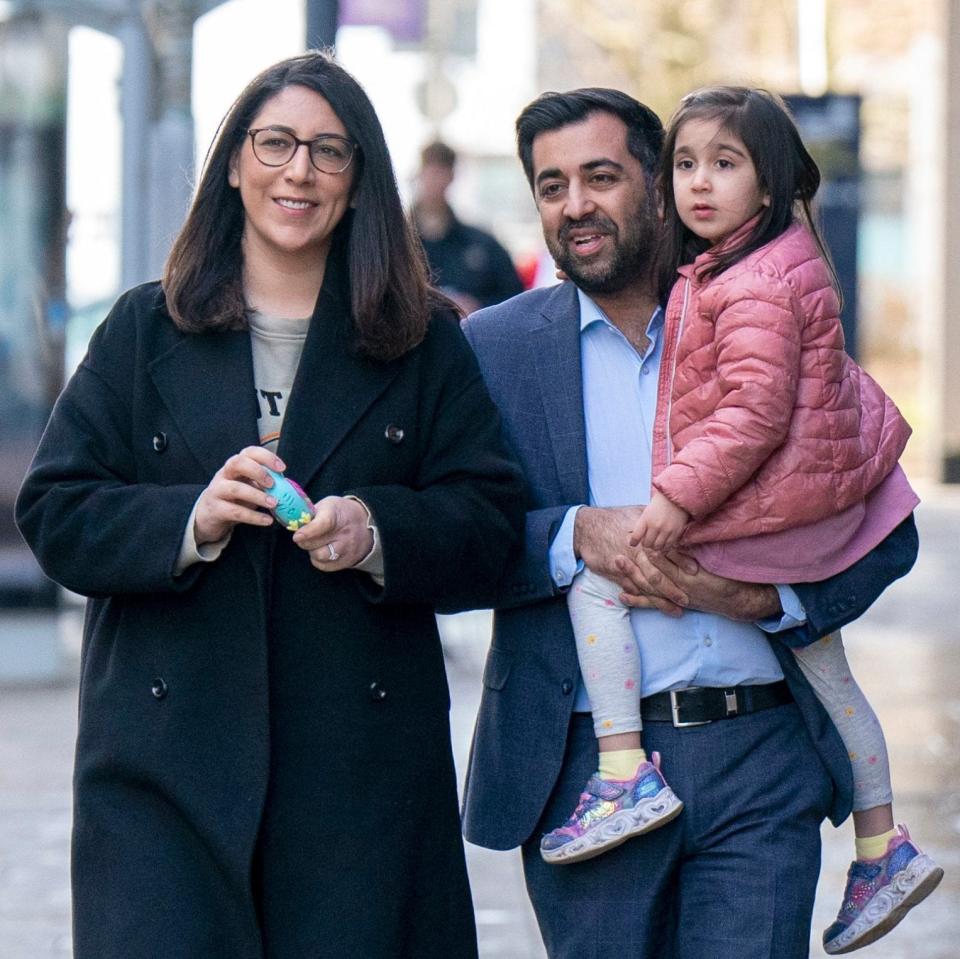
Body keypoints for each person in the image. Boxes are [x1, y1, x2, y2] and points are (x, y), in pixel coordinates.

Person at [15, 52, 524, 959]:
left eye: (329, 152)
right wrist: (191, 519)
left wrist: (376, 531)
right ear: (236, 164)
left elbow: (489, 523)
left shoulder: (422, 342)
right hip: (164, 775)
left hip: (358, 786)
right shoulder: (144, 327)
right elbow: (57, 509)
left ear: (361, 178)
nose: (300, 171)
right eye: (277, 143)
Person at [460, 87, 921, 959]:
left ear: (660, 185)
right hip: (586, 770)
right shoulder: (494, 349)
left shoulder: (763, 310)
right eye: (551, 186)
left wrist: (768, 596)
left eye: (601, 176)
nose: (575, 205)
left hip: (762, 754)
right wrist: (572, 537)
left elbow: (886, 526)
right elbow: (456, 541)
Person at [411, 139, 524, 313]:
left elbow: (516, 299)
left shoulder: (483, 245)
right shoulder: (395, 243)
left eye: (441, 172)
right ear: (420, 174)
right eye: (431, 171)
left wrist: (477, 306)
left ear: (452, 176)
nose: (435, 180)